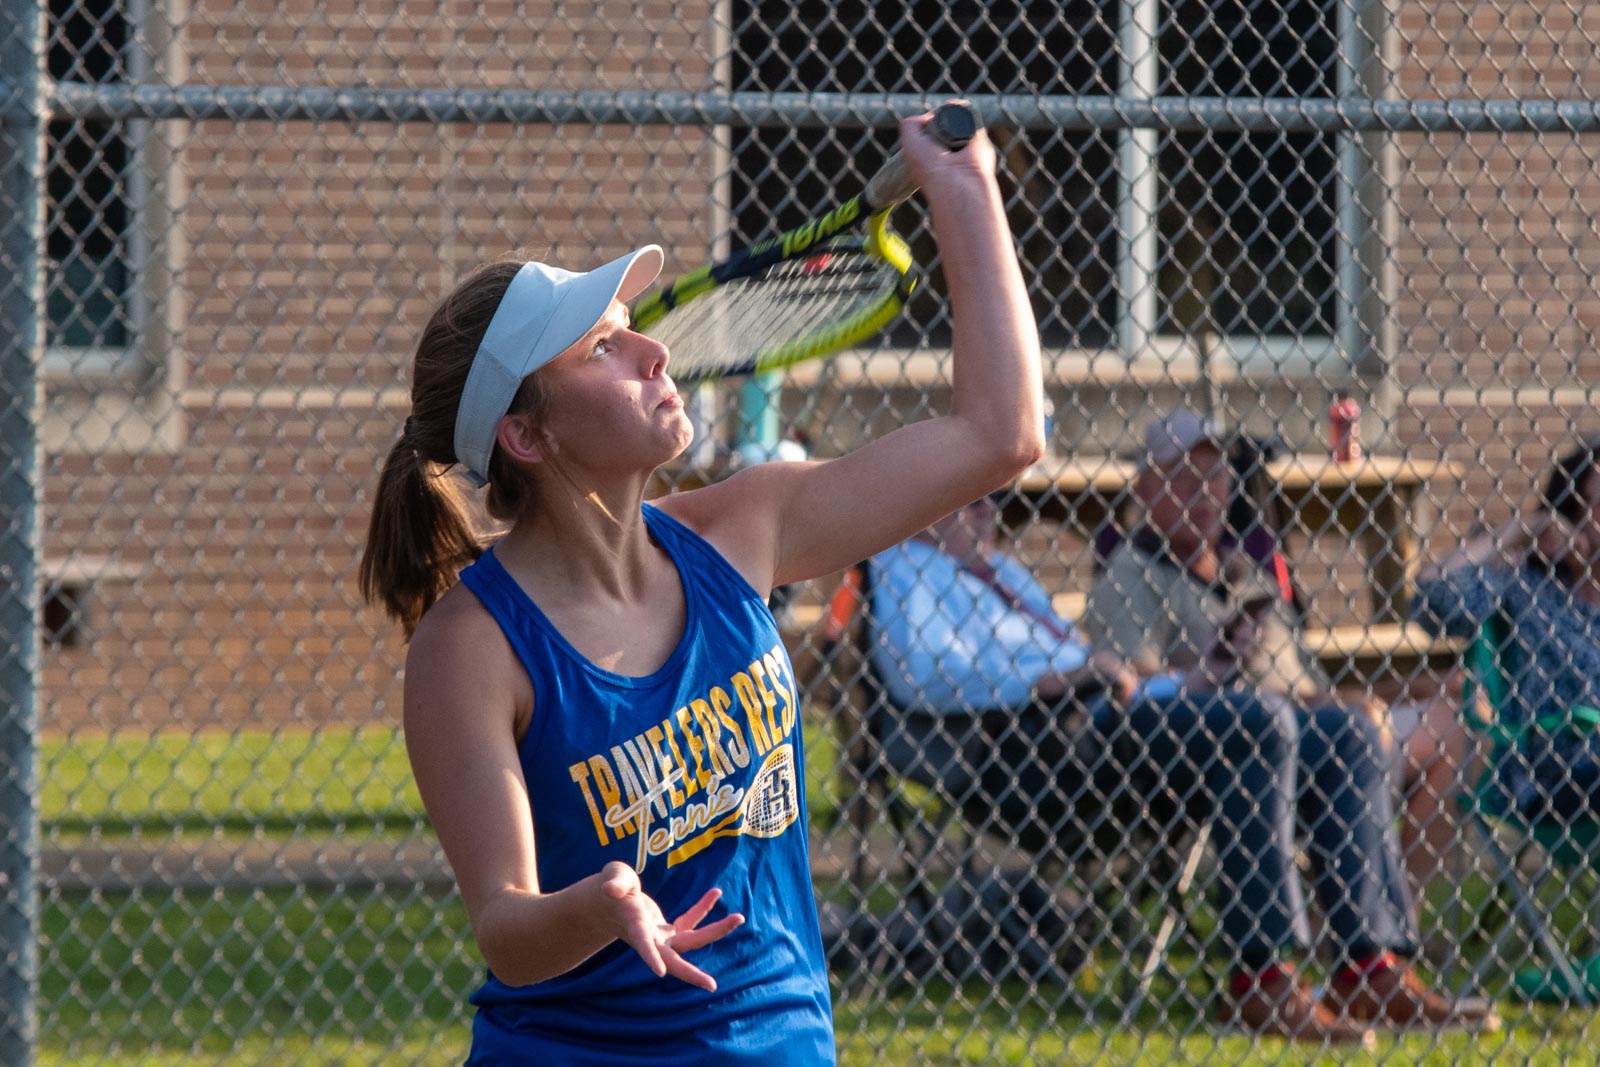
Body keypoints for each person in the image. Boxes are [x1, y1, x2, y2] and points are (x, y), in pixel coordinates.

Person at [357, 108, 1045, 1065]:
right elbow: (508, 928)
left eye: (633, 330)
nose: (655, 353)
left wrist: (965, 187)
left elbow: (1000, 436)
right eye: (603, 348)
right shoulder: (469, 648)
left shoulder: (741, 529)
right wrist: (597, 906)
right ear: (526, 434)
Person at [1081, 409, 1497, 1036]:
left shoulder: (1245, 576)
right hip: (1180, 762)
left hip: (1280, 742)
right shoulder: (1129, 572)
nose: (1202, 494)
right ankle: (1262, 980)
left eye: (1215, 478)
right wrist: (1208, 669)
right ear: (1145, 487)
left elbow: (1305, 690)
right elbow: (1131, 690)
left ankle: (1369, 968)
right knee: (1265, 720)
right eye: (1183, 478)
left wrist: (1392, 693)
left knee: (1351, 731)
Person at [1412, 434, 1600, 824]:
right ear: (1572, 513)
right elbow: (1432, 593)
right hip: (1557, 777)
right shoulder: (1527, 588)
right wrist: (1523, 529)